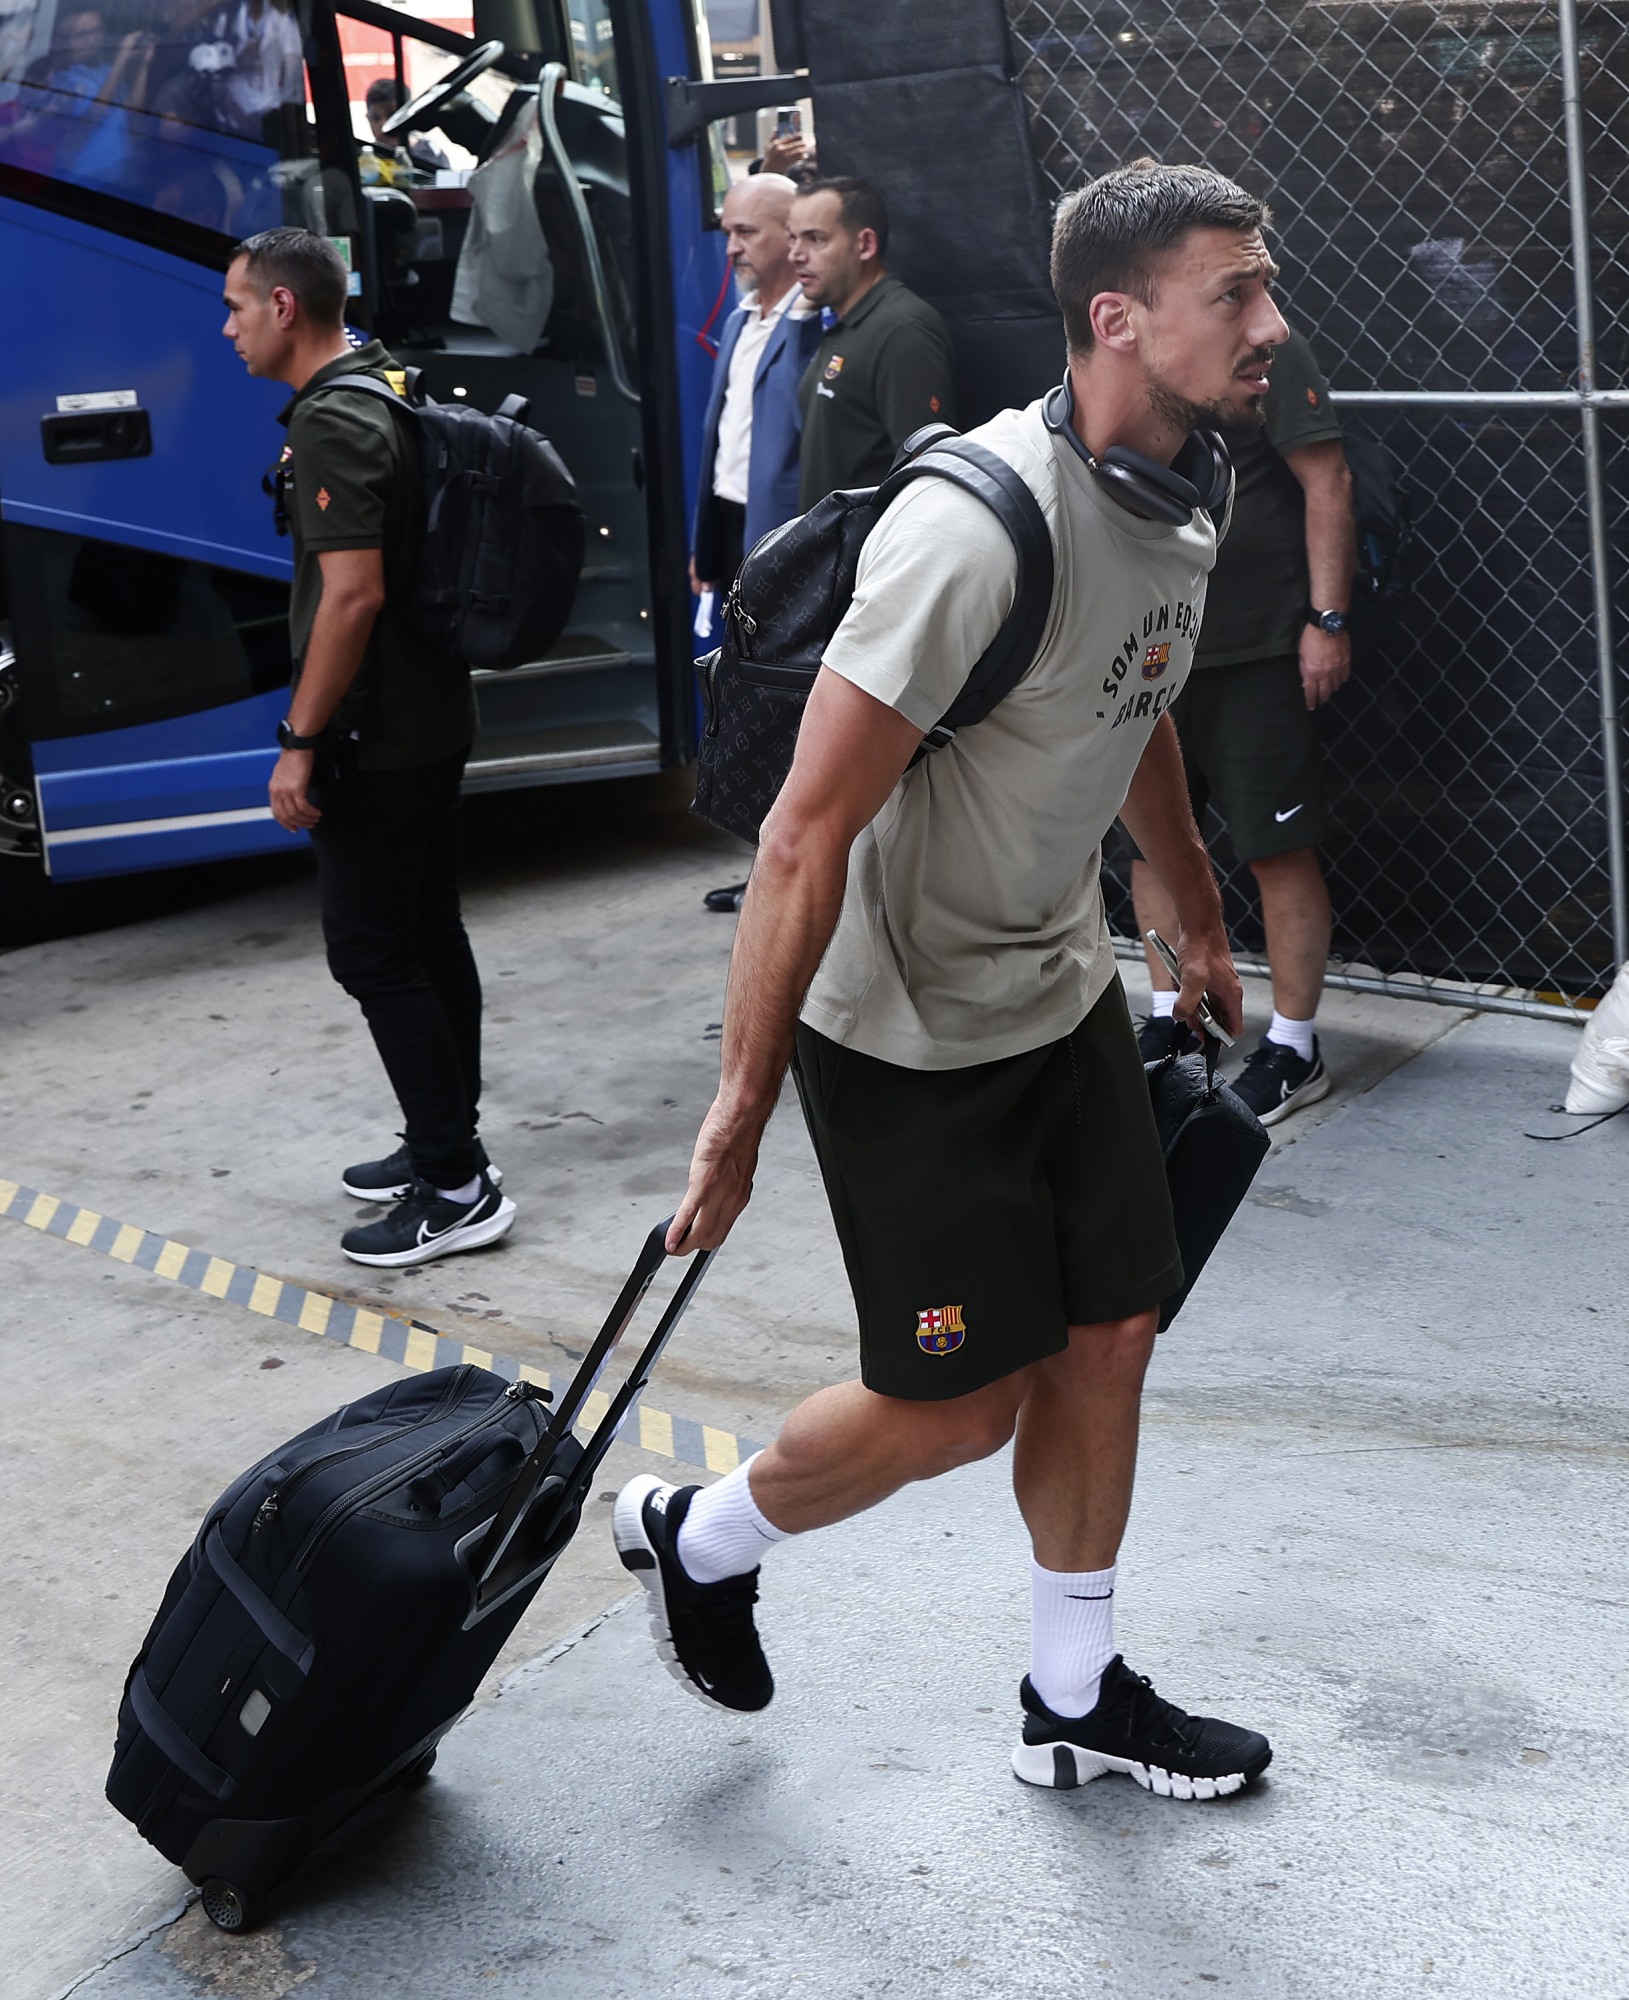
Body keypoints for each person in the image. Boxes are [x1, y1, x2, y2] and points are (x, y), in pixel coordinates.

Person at [614, 159, 1287, 1802]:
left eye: (1265, 290)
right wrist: (737, 1107)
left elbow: (1129, 701)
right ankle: (693, 1534)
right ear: (1115, 317)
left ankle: (1072, 1695)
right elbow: (800, 831)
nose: (1271, 325)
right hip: (905, 1027)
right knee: (955, 1406)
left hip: (1052, 989)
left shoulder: (1182, 486)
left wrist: (1188, 909)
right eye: (1235, 296)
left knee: (1110, 1332)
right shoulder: (969, 535)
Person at [220, 226, 514, 1268]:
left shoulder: (339, 421)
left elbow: (352, 594)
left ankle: (456, 1185)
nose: (229, 327)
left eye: (238, 306)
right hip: (429, 716)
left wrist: (298, 741)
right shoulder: (378, 379)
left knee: (374, 951)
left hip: (375, 734)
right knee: (429, 933)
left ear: (285, 308)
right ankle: (447, 1140)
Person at [1128, 326, 1354, 1126]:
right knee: (1150, 844)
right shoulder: (1125, 341)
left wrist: (1326, 619)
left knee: (1277, 850)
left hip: (1257, 643)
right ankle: (1174, 1022)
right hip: (1150, 643)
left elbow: (1325, 478)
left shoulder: (1268, 347)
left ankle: (1294, 1046)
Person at [692, 171, 820, 916]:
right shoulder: (741, 319)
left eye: (748, 232)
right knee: (746, 705)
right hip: (736, 533)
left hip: (789, 545)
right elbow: (722, 443)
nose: (732, 246)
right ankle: (766, 865)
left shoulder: (813, 323)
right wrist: (708, 547)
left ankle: (793, 873)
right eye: (729, 230)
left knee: (793, 710)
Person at [789, 175, 956, 511]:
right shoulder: (847, 319)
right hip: (826, 557)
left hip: (870, 559)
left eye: (815, 239)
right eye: (792, 238)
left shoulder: (903, 329)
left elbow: (928, 478)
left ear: (865, 244)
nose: (795, 254)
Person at [363, 75, 446, 179]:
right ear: (368, 118)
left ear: (406, 117)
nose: (383, 125)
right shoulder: (364, 161)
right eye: (376, 118)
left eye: (391, 117)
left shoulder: (431, 154)